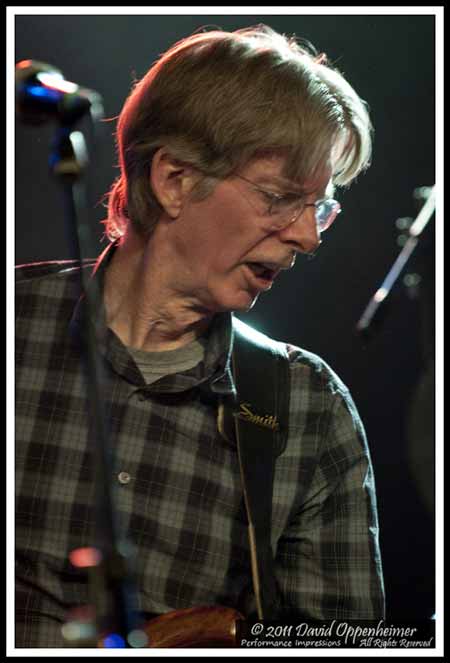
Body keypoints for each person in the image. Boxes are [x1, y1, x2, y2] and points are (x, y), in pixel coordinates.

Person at [15, 24, 385, 648]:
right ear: (175, 180)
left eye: (320, 207)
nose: (309, 237)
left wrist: (237, 633)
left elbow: (372, 643)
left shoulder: (306, 405)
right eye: (280, 198)